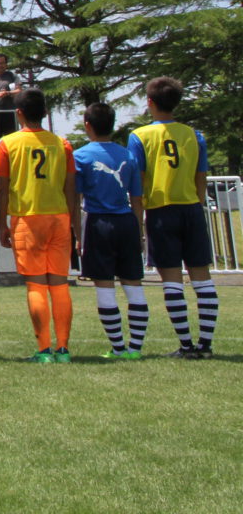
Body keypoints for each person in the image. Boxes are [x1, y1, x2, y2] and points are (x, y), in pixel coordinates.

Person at [128, 76, 216, 358]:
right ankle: (205, 344)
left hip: (161, 210)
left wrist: (138, 222)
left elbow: (138, 185)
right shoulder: (194, 135)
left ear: (150, 102)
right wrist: (196, 203)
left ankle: (186, 345)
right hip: (191, 208)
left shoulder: (139, 136)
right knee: (202, 277)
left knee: (172, 280)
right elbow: (201, 178)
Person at [0, 88, 77, 363]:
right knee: (60, 284)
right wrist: (74, 223)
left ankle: (44, 350)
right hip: (59, 216)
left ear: (18, 113)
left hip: (27, 218)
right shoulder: (62, 144)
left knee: (36, 286)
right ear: (45, 113)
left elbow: (2, 188)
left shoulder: (8, 143)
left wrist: (2, 222)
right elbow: (70, 188)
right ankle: (63, 348)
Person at [74, 102, 147, 360]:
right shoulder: (128, 156)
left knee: (104, 285)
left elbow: (76, 197)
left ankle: (117, 347)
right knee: (133, 284)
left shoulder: (81, 156)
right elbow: (137, 199)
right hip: (126, 220)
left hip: (98, 222)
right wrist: (139, 232)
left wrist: (77, 233)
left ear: (88, 125)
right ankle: (135, 348)